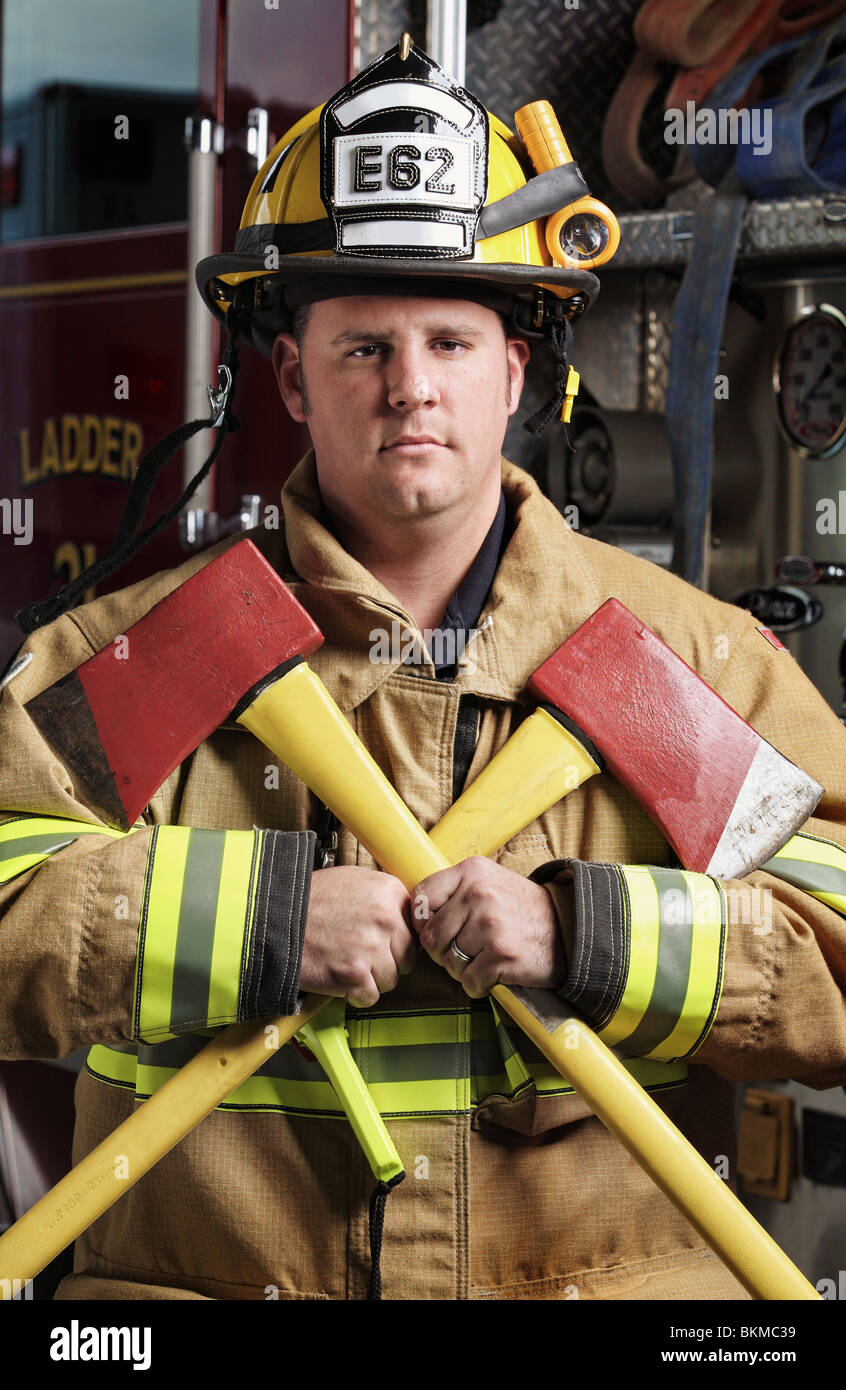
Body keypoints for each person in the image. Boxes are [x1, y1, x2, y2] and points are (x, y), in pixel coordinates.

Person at [1, 39, 845, 1303]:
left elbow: (834, 936)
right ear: (290, 375)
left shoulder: (670, 670)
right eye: (362, 348)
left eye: (451, 342)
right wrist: (262, 922)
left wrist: (589, 932)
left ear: (516, 370)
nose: (411, 390)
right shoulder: (158, 659)